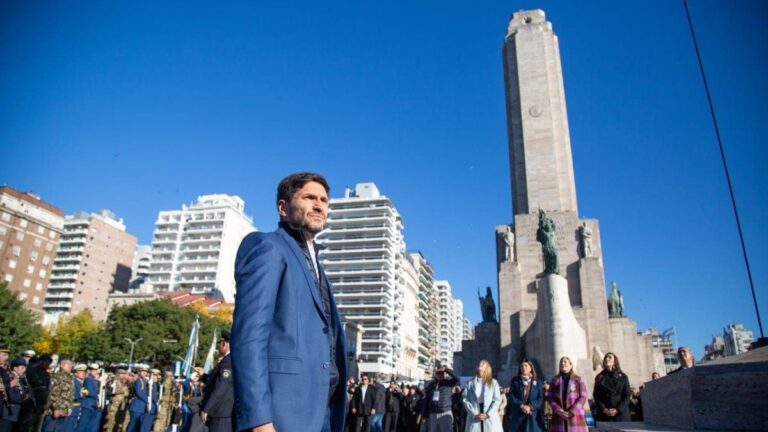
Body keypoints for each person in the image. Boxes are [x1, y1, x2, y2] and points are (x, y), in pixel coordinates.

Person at [231, 172, 348, 432]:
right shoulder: (267, 247)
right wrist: (258, 419)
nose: (319, 205)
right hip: (281, 415)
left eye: (324, 200)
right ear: (283, 207)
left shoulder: (318, 266)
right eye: (309, 197)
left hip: (321, 413)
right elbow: (249, 336)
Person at [196, 330, 234, 432]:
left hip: (221, 414)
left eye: (220, 343)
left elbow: (222, 386)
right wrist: (203, 376)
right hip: (220, 413)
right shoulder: (227, 360)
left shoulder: (228, 361)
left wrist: (207, 407)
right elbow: (216, 381)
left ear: (224, 344)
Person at [546, 357, 587, 432]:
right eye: (561, 362)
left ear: (571, 365)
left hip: (575, 415)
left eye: (565, 362)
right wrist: (557, 410)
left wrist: (573, 411)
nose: (562, 363)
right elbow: (549, 396)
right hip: (559, 415)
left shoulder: (578, 379)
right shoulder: (554, 379)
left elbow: (583, 396)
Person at [462, 360, 502, 432]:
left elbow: (496, 400)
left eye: (483, 363)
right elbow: (465, 399)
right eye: (479, 363)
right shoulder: (469, 383)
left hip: (490, 415)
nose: (480, 364)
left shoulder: (494, 382)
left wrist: (488, 414)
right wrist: (473, 414)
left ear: (487, 368)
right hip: (474, 414)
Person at [592, 353, 630, 423]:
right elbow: (596, 395)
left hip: (620, 414)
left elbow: (627, 395)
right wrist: (603, 409)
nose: (607, 359)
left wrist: (618, 409)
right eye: (606, 357)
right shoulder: (599, 377)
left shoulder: (623, 377)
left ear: (614, 361)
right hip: (604, 414)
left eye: (610, 357)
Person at [506, 359, 542, 432]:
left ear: (530, 368)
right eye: (521, 366)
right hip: (518, 417)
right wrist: (521, 405)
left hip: (532, 417)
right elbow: (511, 396)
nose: (523, 368)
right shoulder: (515, 380)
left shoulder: (537, 381)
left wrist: (530, 407)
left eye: (526, 366)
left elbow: (540, 398)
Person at [42, 358, 75, 432]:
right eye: (67, 364)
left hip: (64, 410)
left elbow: (70, 394)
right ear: (61, 365)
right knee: (49, 429)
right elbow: (53, 394)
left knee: (58, 430)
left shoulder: (70, 378)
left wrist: (69, 407)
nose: (70, 366)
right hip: (53, 411)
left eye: (71, 364)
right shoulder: (57, 377)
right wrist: (56, 409)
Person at [422, 366, 458, 432]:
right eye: (438, 373)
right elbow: (427, 400)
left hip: (445, 413)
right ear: (435, 374)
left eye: (442, 373)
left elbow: (456, 379)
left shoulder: (448, 382)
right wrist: (424, 414)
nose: (440, 375)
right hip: (433, 414)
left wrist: (446, 369)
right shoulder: (431, 385)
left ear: (444, 374)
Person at [0, 358, 30, 432]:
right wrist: (23, 398)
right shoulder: (9, 377)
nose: (24, 370)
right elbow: (11, 395)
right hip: (8, 412)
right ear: (15, 368)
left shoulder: (21, 379)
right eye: (22, 367)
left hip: (17, 412)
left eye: (25, 368)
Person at [126, 366, 150, 432]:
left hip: (142, 407)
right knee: (133, 425)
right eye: (143, 372)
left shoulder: (144, 381)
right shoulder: (138, 381)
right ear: (139, 372)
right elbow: (139, 393)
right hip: (137, 406)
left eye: (145, 372)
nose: (145, 373)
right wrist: (148, 400)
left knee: (137, 426)